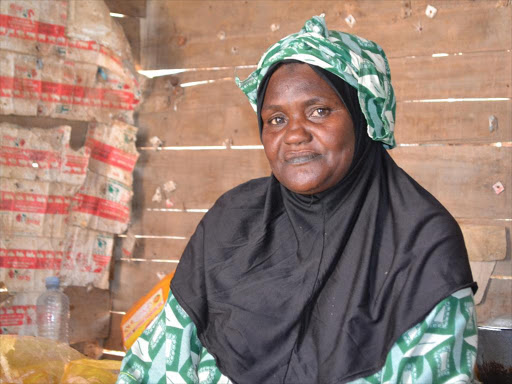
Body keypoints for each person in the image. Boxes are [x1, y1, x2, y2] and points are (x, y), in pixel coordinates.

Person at [117, 15, 477, 384]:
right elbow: (154, 367)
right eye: (275, 119)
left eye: (318, 111)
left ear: (362, 116)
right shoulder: (231, 223)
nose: (293, 135)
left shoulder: (420, 241)